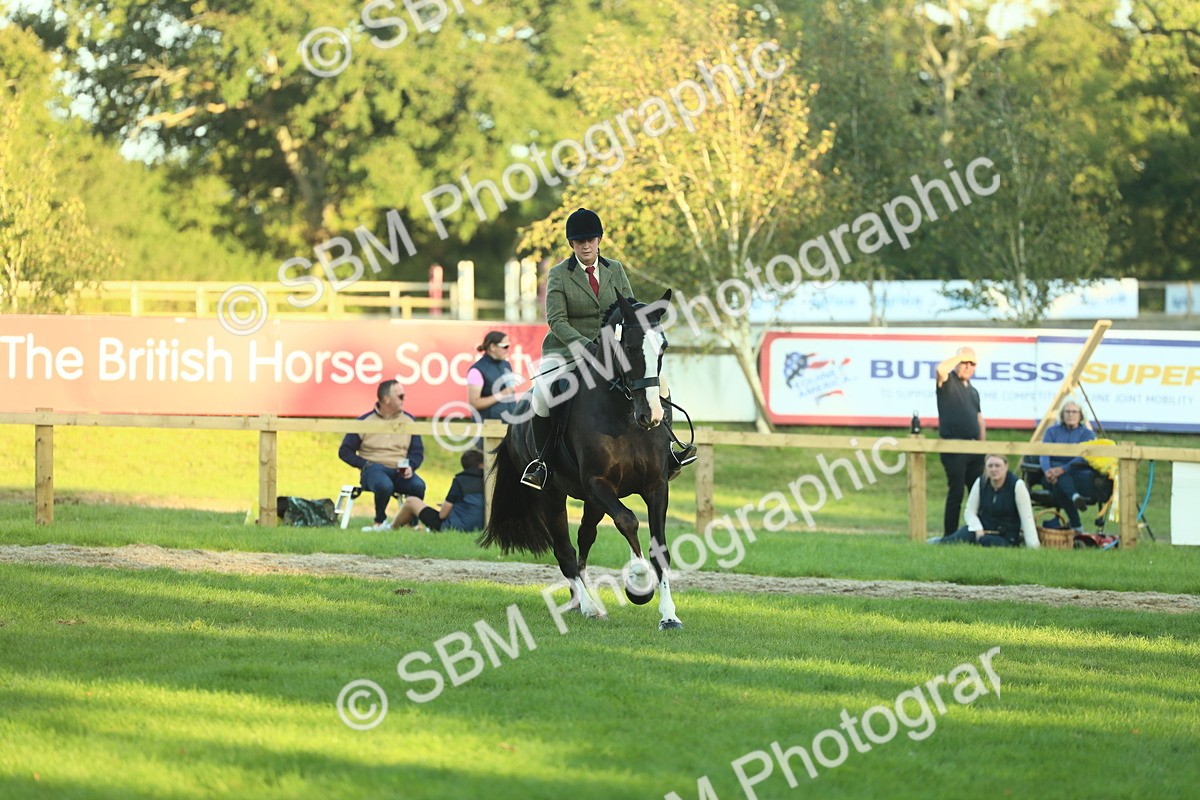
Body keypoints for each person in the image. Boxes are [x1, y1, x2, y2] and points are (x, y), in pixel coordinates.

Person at [519, 207, 697, 490]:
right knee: (542, 395)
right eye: (580, 241)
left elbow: (631, 309)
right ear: (572, 244)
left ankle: (669, 452)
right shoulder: (559, 274)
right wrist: (585, 346)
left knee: (659, 384)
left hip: (612, 352)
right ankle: (542, 463)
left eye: (591, 239)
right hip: (567, 351)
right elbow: (556, 320)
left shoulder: (615, 269)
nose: (586, 245)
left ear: (599, 240)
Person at [338, 379, 426, 531]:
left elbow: (417, 452)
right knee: (383, 484)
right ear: (386, 399)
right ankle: (379, 522)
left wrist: (411, 465)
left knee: (418, 485)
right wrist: (364, 464)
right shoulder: (364, 421)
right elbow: (345, 451)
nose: (404, 399)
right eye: (400, 396)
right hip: (374, 469)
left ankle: (413, 524)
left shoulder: (409, 420)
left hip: (400, 470)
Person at [934, 454, 1039, 548]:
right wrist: (977, 527)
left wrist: (1034, 547)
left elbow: (1027, 519)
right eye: (990, 466)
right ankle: (939, 543)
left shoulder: (1017, 486)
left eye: (997, 465)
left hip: (1006, 536)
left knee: (986, 541)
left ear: (1006, 466)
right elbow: (970, 510)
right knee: (963, 534)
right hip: (982, 530)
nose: (993, 469)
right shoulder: (981, 482)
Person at [936, 345, 986, 536]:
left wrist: (983, 448)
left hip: (974, 449)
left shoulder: (973, 391)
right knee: (956, 493)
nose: (967, 366)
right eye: (963, 362)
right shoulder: (948, 382)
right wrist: (960, 356)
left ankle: (977, 532)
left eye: (971, 363)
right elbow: (940, 370)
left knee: (979, 493)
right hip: (954, 446)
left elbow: (980, 419)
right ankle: (949, 535)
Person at [390, 450, 485, 532]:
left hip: (453, 527)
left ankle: (391, 528)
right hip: (481, 526)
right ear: (482, 465)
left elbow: (442, 515)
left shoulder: (460, 481)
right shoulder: (489, 481)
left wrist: (446, 506)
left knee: (411, 501)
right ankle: (410, 525)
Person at [1039, 400, 1097, 533]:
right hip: (1051, 476)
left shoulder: (1088, 434)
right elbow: (1044, 453)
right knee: (1058, 480)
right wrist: (1048, 471)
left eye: (1074, 412)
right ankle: (1075, 498)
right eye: (1068, 412)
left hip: (1077, 476)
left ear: (1081, 415)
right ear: (1062, 415)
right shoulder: (1051, 432)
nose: (1071, 415)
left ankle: (1077, 524)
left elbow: (1083, 457)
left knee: (1059, 484)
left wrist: (1063, 469)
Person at [467, 331, 519, 421]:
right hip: (487, 428)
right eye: (505, 346)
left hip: (509, 425)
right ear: (492, 347)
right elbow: (474, 403)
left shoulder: (506, 365)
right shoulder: (476, 370)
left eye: (508, 345)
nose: (508, 349)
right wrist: (501, 394)